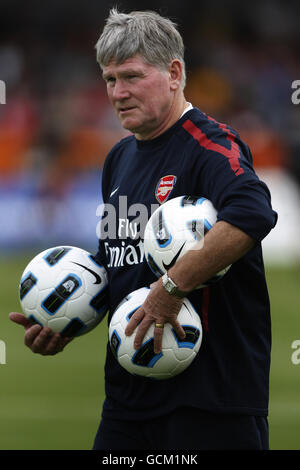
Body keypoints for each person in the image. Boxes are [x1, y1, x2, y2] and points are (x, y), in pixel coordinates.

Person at [10, 8, 278, 450]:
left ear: (174, 73)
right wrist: (67, 316)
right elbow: (121, 264)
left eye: (132, 76)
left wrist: (172, 288)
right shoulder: (119, 157)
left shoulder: (210, 147)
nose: (118, 92)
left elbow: (253, 214)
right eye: (110, 80)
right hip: (127, 401)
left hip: (211, 403)